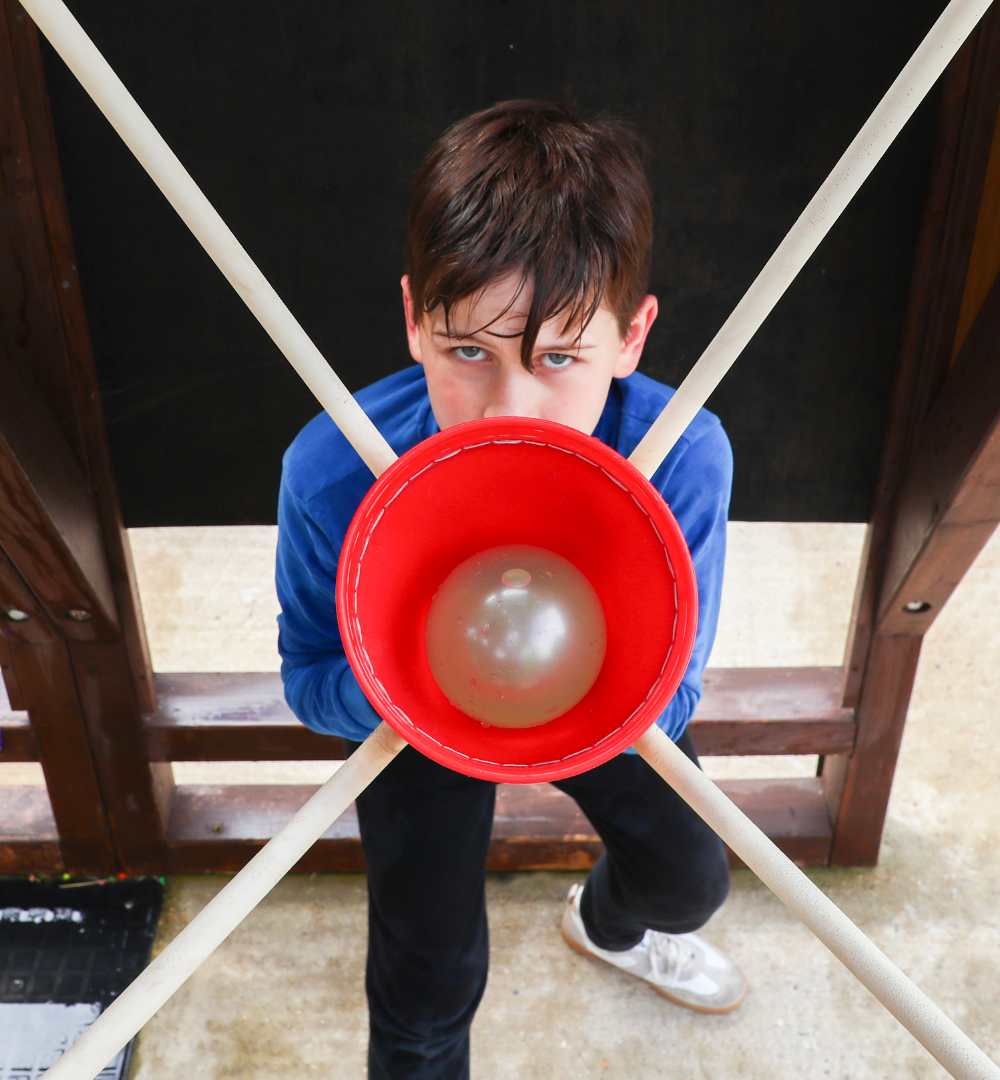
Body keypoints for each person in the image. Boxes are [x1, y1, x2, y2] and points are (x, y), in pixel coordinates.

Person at [276, 99, 745, 1080]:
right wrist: (407, 681)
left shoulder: (681, 455)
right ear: (414, 319)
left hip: (608, 695)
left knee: (690, 880)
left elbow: (678, 689)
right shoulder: (332, 470)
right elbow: (311, 681)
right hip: (411, 714)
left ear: (633, 338)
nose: (510, 411)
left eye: (559, 359)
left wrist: (561, 700)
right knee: (424, 986)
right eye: (468, 353)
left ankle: (607, 928)